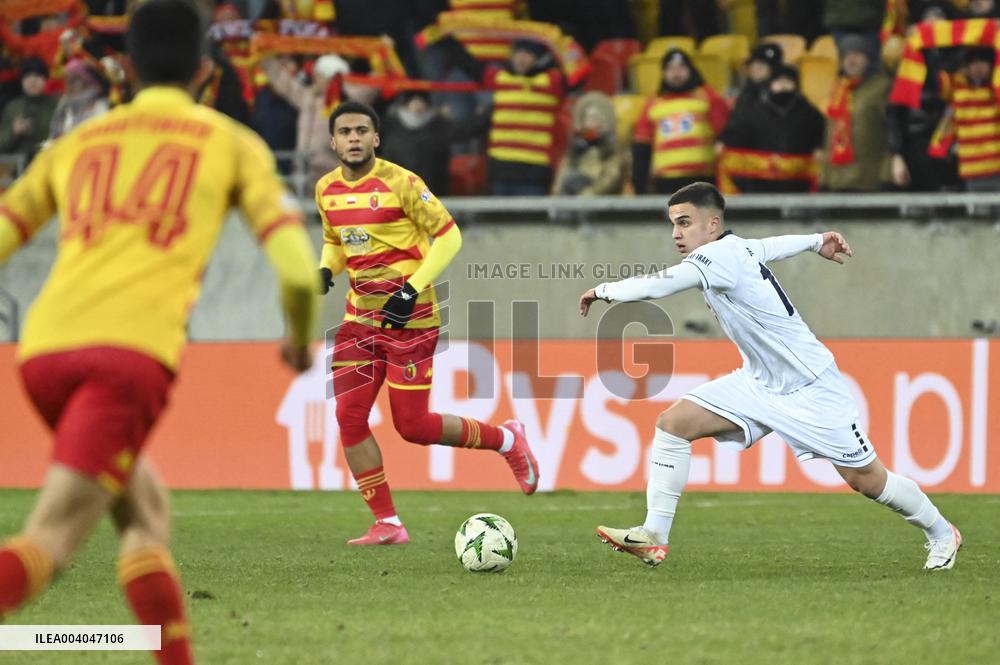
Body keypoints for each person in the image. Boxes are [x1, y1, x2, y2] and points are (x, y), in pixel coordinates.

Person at [0, 3, 319, 664]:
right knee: (50, 542)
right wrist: (297, 340)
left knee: (146, 514)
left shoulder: (77, 142)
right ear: (205, 69)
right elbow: (296, 271)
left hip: (43, 351)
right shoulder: (230, 142)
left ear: (125, 67)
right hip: (125, 361)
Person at [577, 182, 961, 572]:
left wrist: (604, 290)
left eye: (685, 222)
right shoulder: (739, 248)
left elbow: (662, 283)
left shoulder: (715, 257)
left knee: (867, 480)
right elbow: (771, 246)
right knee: (674, 423)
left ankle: (943, 533)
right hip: (758, 383)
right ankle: (654, 536)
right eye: (673, 224)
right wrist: (816, 241)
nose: (676, 233)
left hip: (809, 386)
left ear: (712, 224)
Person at [316, 100, 539, 545]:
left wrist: (411, 289)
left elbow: (449, 235)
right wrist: (326, 268)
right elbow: (336, 241)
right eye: (345, 132)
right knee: (348, 417)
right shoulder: (326, 189)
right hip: (359, 320)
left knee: (412, 427)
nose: (354, 138)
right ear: (333, 142)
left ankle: (506, 440)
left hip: (411, 318)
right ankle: (388, 523)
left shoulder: (403, 182)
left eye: (361, 131)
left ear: (376, 138)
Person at [632, 49, 729, 195]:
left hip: (703, 179)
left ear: (691, 70)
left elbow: (724, 133)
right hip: (665, 181)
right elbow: (642, 145)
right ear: (663, 73)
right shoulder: (653, 102)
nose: (676, 73)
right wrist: (640, 186)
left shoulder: (707, 95)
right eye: (670, 69)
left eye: (681, 67)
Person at [718, 64, 825, 193]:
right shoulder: (753, 110)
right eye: (778, 81)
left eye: (788, 82)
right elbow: (737, 133)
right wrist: (724, 143)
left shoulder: (808, 112)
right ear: (770, 84)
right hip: (759, 183)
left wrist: (819, 147)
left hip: (797, 182)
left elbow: (821, 134)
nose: (783, 86)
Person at [822, 33, 892, 192]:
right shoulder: (838, 89)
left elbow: (890, 130)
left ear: (868, 59)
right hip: (837, 179)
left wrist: (886, 173)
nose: (851, 60)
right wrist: (824, 177)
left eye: (857, 54)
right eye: (846, 56)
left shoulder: (882, 87)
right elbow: (829, 136)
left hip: (869, 178)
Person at [0, 58, 57, 161]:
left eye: (38, 75)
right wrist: (14, 131)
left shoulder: (56, 105)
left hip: (50, 160)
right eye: (28, 76)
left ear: (45, 80)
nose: (32, 80)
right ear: (22, 81)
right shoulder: (13, 108)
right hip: (21, 165)